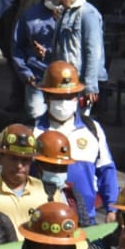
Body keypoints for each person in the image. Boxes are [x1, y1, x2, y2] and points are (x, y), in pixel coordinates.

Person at [34, 61, 118, 226]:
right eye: (58, 97)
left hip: (86, 220)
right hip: (45, 221)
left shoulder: (93, 129)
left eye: (69, 96)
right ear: (46, 97)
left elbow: (107, 171)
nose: (64, 102)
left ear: (78, 97)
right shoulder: (34, 131)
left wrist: (112, 208)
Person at [0, 124, 53, 229]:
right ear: (0, 158)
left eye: (25, 160)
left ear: (31, 161)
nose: (19, 165)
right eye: (13, 158)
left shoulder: (49, 192)